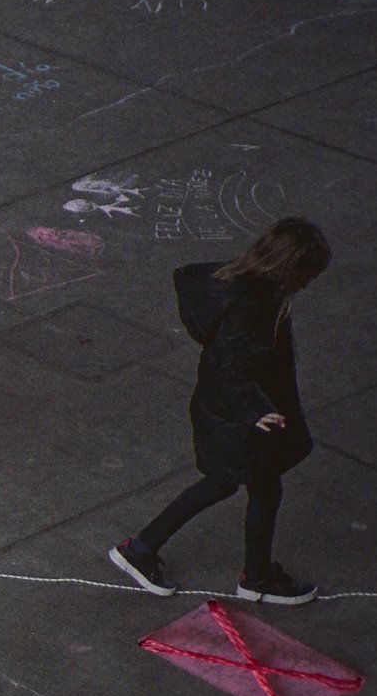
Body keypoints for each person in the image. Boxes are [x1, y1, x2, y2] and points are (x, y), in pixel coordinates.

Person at [111, 218, 329, 605]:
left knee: (245, 485)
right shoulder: (252, 308)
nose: (307, 285)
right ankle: (147, 551)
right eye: (306, 276)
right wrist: (255, 411)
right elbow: (232, 368)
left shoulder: (236, 283)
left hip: (228, 416)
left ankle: (153, 552)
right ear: (288, 269)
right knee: (237, 484)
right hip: (242, 423)